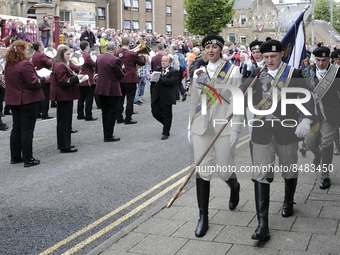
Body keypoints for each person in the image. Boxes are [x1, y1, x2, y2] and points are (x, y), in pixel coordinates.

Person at [239, 40, 315, 241]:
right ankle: (262, 224)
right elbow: (239, 93)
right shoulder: (256, 74)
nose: (269, 60)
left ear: (281, 54)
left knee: (289, 169)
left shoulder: (293, 74)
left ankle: (288, 200)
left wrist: (306, 119)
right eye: (265, 57)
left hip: (287, 131)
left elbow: (307, 99)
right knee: (260, 174)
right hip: (262, 133)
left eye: (273, 56)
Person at [188, 34, 243, 238]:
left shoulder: (233, 70)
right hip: (201, 126)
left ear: (221, 49)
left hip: (223, 126)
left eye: (214, 47)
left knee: (224, 170)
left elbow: (238, 101)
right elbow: (194, 100)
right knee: (202, 170)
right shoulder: (198, 72)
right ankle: (203, 216)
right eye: (207, 47)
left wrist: (236, 129)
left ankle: (234, 186)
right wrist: (189, 126)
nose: (210, 50)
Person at [4, 40, 49, 167]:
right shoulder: (25, 64)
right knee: (27, 130)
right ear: (22, 51)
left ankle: (15, 156)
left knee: (17, 128)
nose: (28, 51)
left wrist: (33, 72)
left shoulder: (9, 64)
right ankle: (28, 159)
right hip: (27, 100)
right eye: (26, 49)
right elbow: (34, 84)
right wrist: (43, 79)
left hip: (13, 99)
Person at [305, 46, 340, 189]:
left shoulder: (336, 72)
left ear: (329, 59)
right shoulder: (306, 72)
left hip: (330, 115)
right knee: (310, 143)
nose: (321, 63)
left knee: (326, 143)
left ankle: (325, 175)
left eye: (324, 60)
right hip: (312, 115)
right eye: (318, 60)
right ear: (314, 59)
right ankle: (318, 155)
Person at [50, 46, 82, 153]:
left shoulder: (60, 64)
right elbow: (63, 81)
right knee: (65, 122)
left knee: (63, 121)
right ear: (61, 54)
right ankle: (65, 146)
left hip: (64, 96)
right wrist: (77, 78)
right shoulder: (60, 65)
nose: (69, 57)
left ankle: (63, 144)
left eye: (69, 54)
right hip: (64, 96)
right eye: (67, 54)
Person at [95, 42, 125, 142]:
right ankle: (109, 135)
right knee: (112, 112)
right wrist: (123, 70)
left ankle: (106, 133)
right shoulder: (115, 59)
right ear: (114, 49)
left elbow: (97, 71)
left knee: (105, 112)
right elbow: (120, 76)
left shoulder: (99, 57)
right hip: (112, 88)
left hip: (101, 88)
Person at [116, 37, 145, 124]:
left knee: (120, 99)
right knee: (130, 99)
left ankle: (119, 118)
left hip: (120, 78)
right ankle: (128, 118)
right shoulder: (132, 53)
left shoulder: (116, 52)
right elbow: (142, 63)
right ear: (129, 44)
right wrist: (143, 57)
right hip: (130, 79)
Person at [151, 55, 179, 140]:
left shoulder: (174, 71)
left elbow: (170, 82)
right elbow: (153, 83)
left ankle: (166, 132)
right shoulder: (158, 69)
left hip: (167, 96)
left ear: (170, 62)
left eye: (165, 61)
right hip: (157, 95)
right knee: (155, 112)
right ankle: (167, 124)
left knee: (167, 114)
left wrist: (160, 79)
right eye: (162, 61)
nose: (163, 62)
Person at [31, 41, 53, 120]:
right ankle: (45, 113)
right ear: (39, 47)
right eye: (42, 45)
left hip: (38, 76)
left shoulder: (34, 55)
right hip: (44, 76)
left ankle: (38, 112)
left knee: (40, 96)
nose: (44, 47)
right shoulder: (42, 54)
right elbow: (49, 64)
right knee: (45, 97)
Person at [77, 41, 97, 121]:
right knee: (89, 98)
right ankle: (88, 115)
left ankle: (80, 114)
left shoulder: (78, 55)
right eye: (88, 46)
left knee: (81, 97)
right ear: (86, 47)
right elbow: (95, 65)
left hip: (81, 78)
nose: (89, 47)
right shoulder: (87, 56)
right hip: (88, 79)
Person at [331, 49, 340, 155]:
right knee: (335, 124)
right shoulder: (332, 70)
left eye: (339, 59)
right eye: (336, 59)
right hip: (335, 101)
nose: (338, 61)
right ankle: (337, 144)